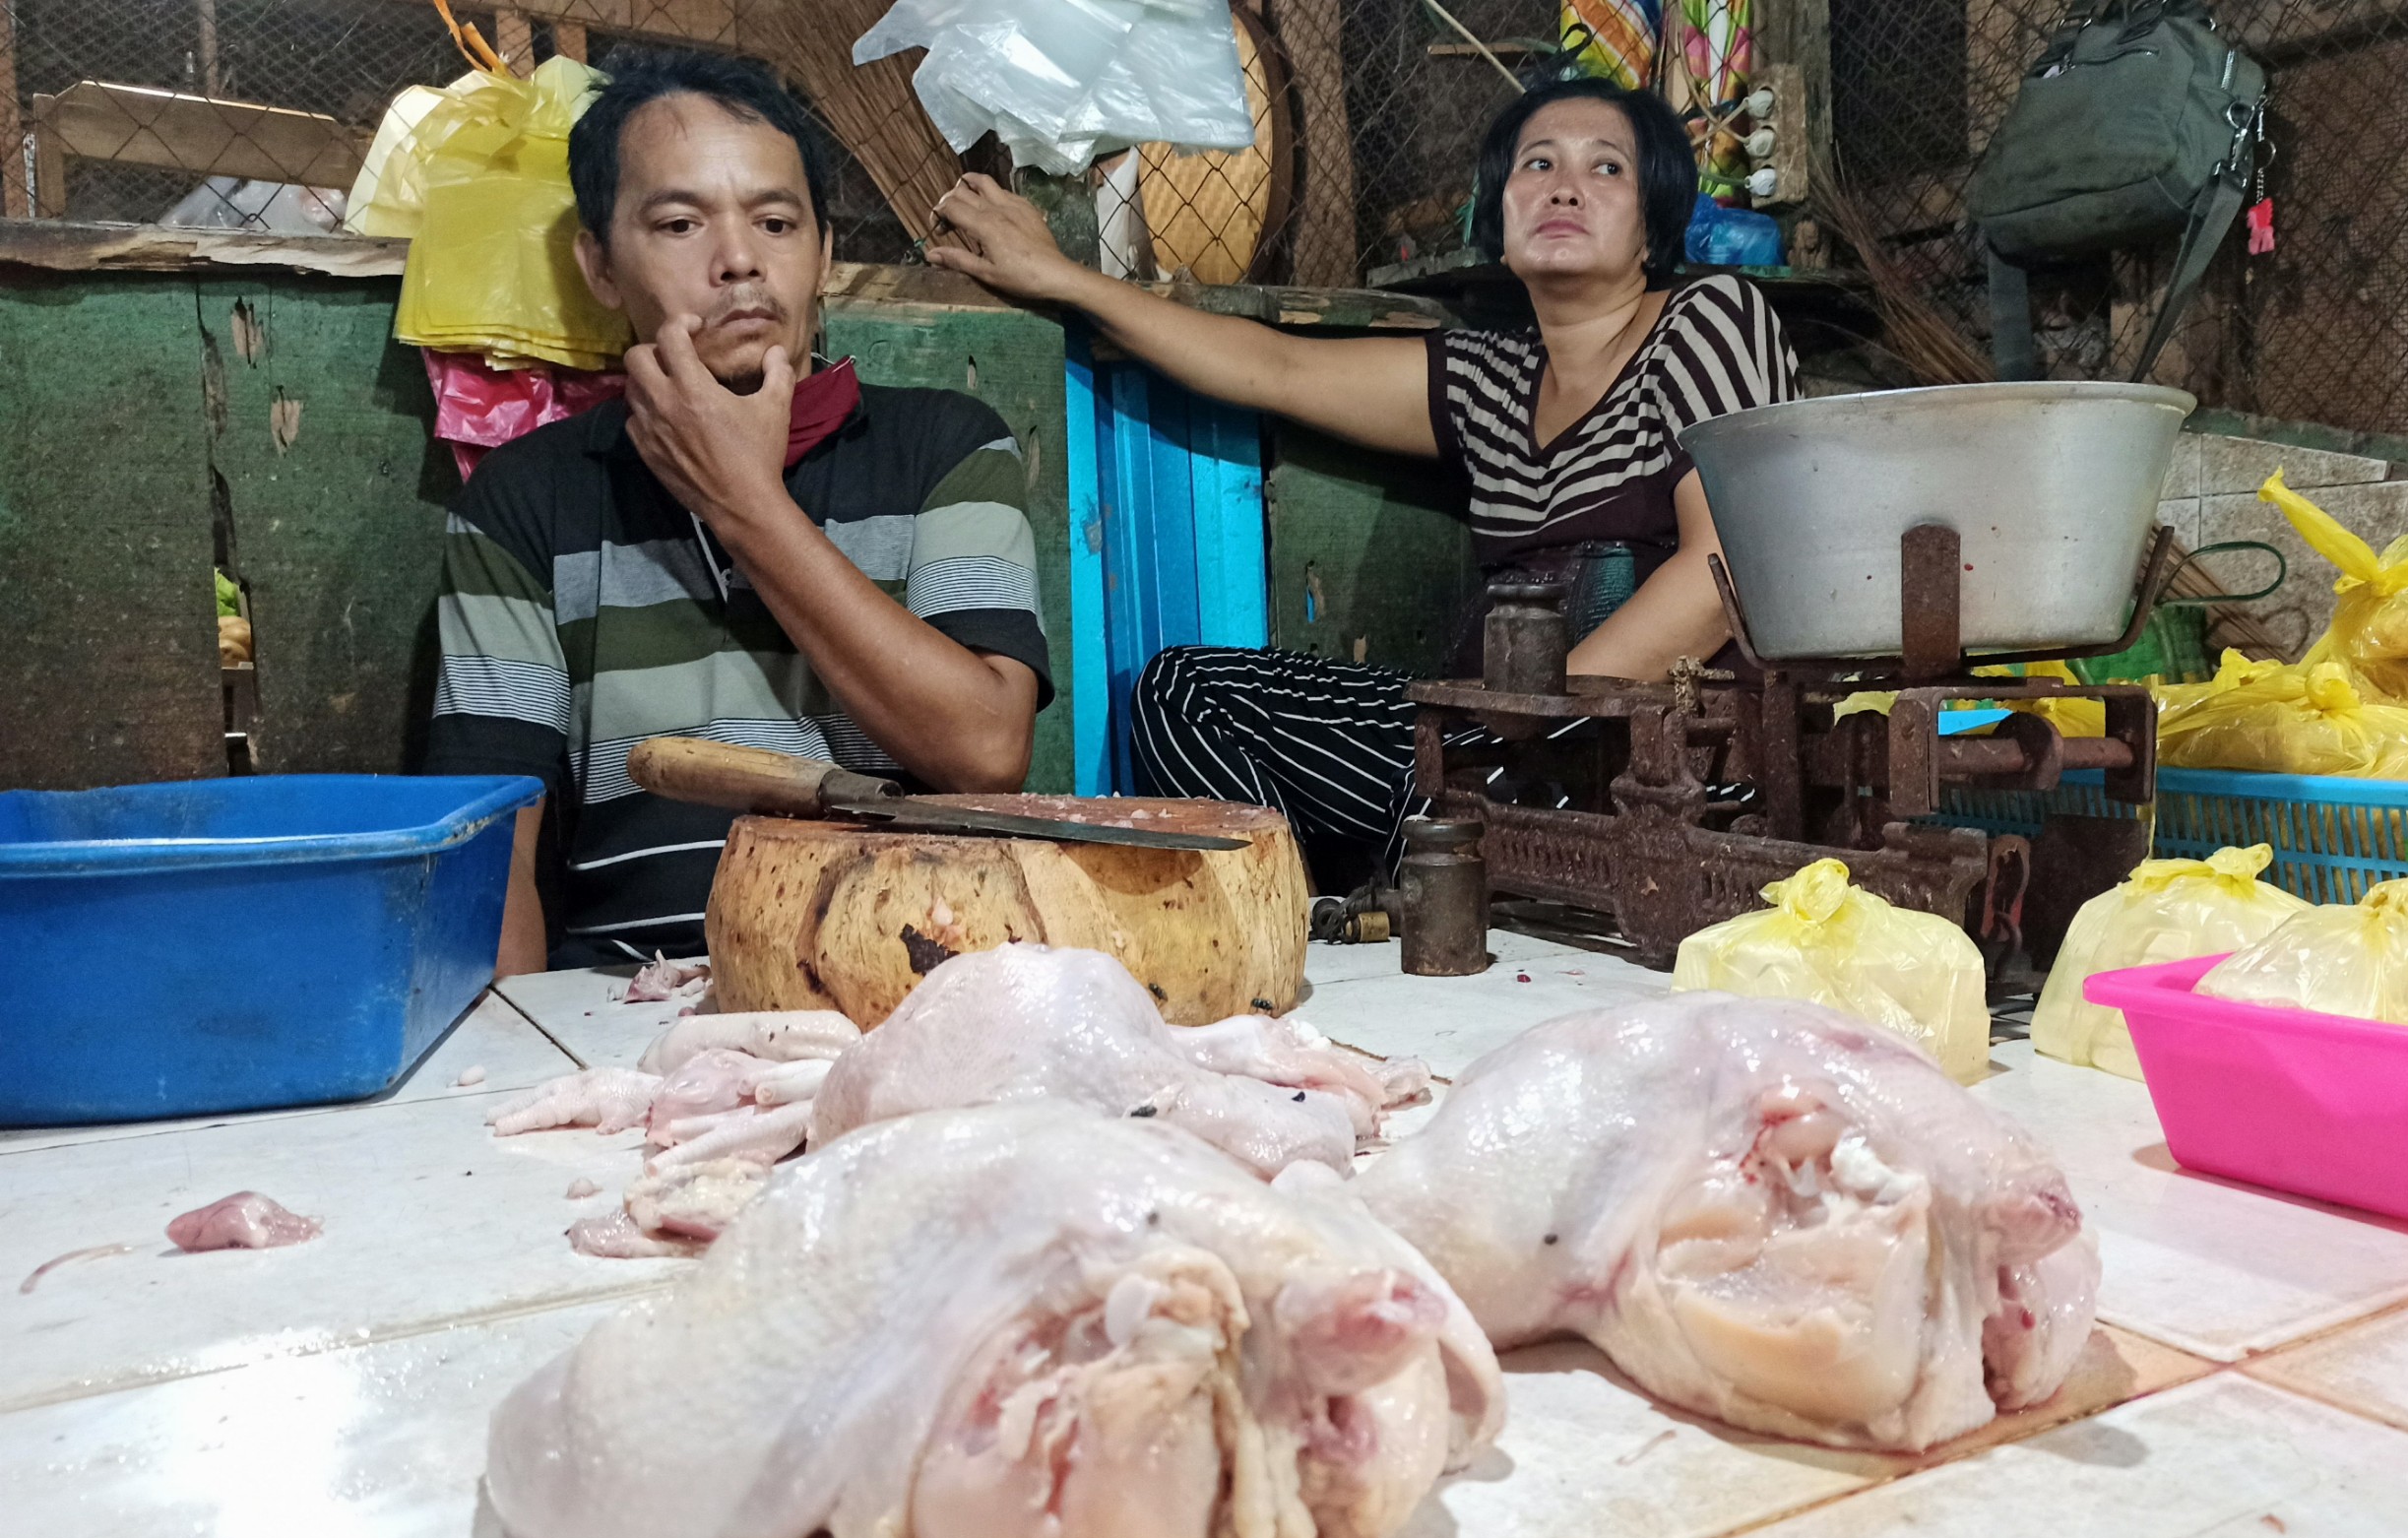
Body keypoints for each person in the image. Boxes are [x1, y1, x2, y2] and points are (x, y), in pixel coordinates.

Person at [929, 72, 1795, 884]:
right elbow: (1276, 368)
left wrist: (1516, 724)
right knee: (1182, 694)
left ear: (1654, 221)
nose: (1565, 187)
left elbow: (1726, 571)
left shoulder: (1710, 317)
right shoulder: (1486, 379)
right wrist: (1064, 279)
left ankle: (1430, 865)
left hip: (1643, 750)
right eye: (1538, 164)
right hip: (1479, 738)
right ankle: (1311, 917)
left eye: (1607, 168)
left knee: (1445, 790)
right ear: (1500, 211)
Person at [423, 51, 1050, 972]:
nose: (740, 262)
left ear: (826, 253)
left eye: (776, 221)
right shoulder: (524, 501)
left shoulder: (943, 449)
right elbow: (491, 856)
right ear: (598, 264)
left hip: (913, 973)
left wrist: (744, 502)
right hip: (630, 990)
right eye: (680, 222)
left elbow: (987, 750)